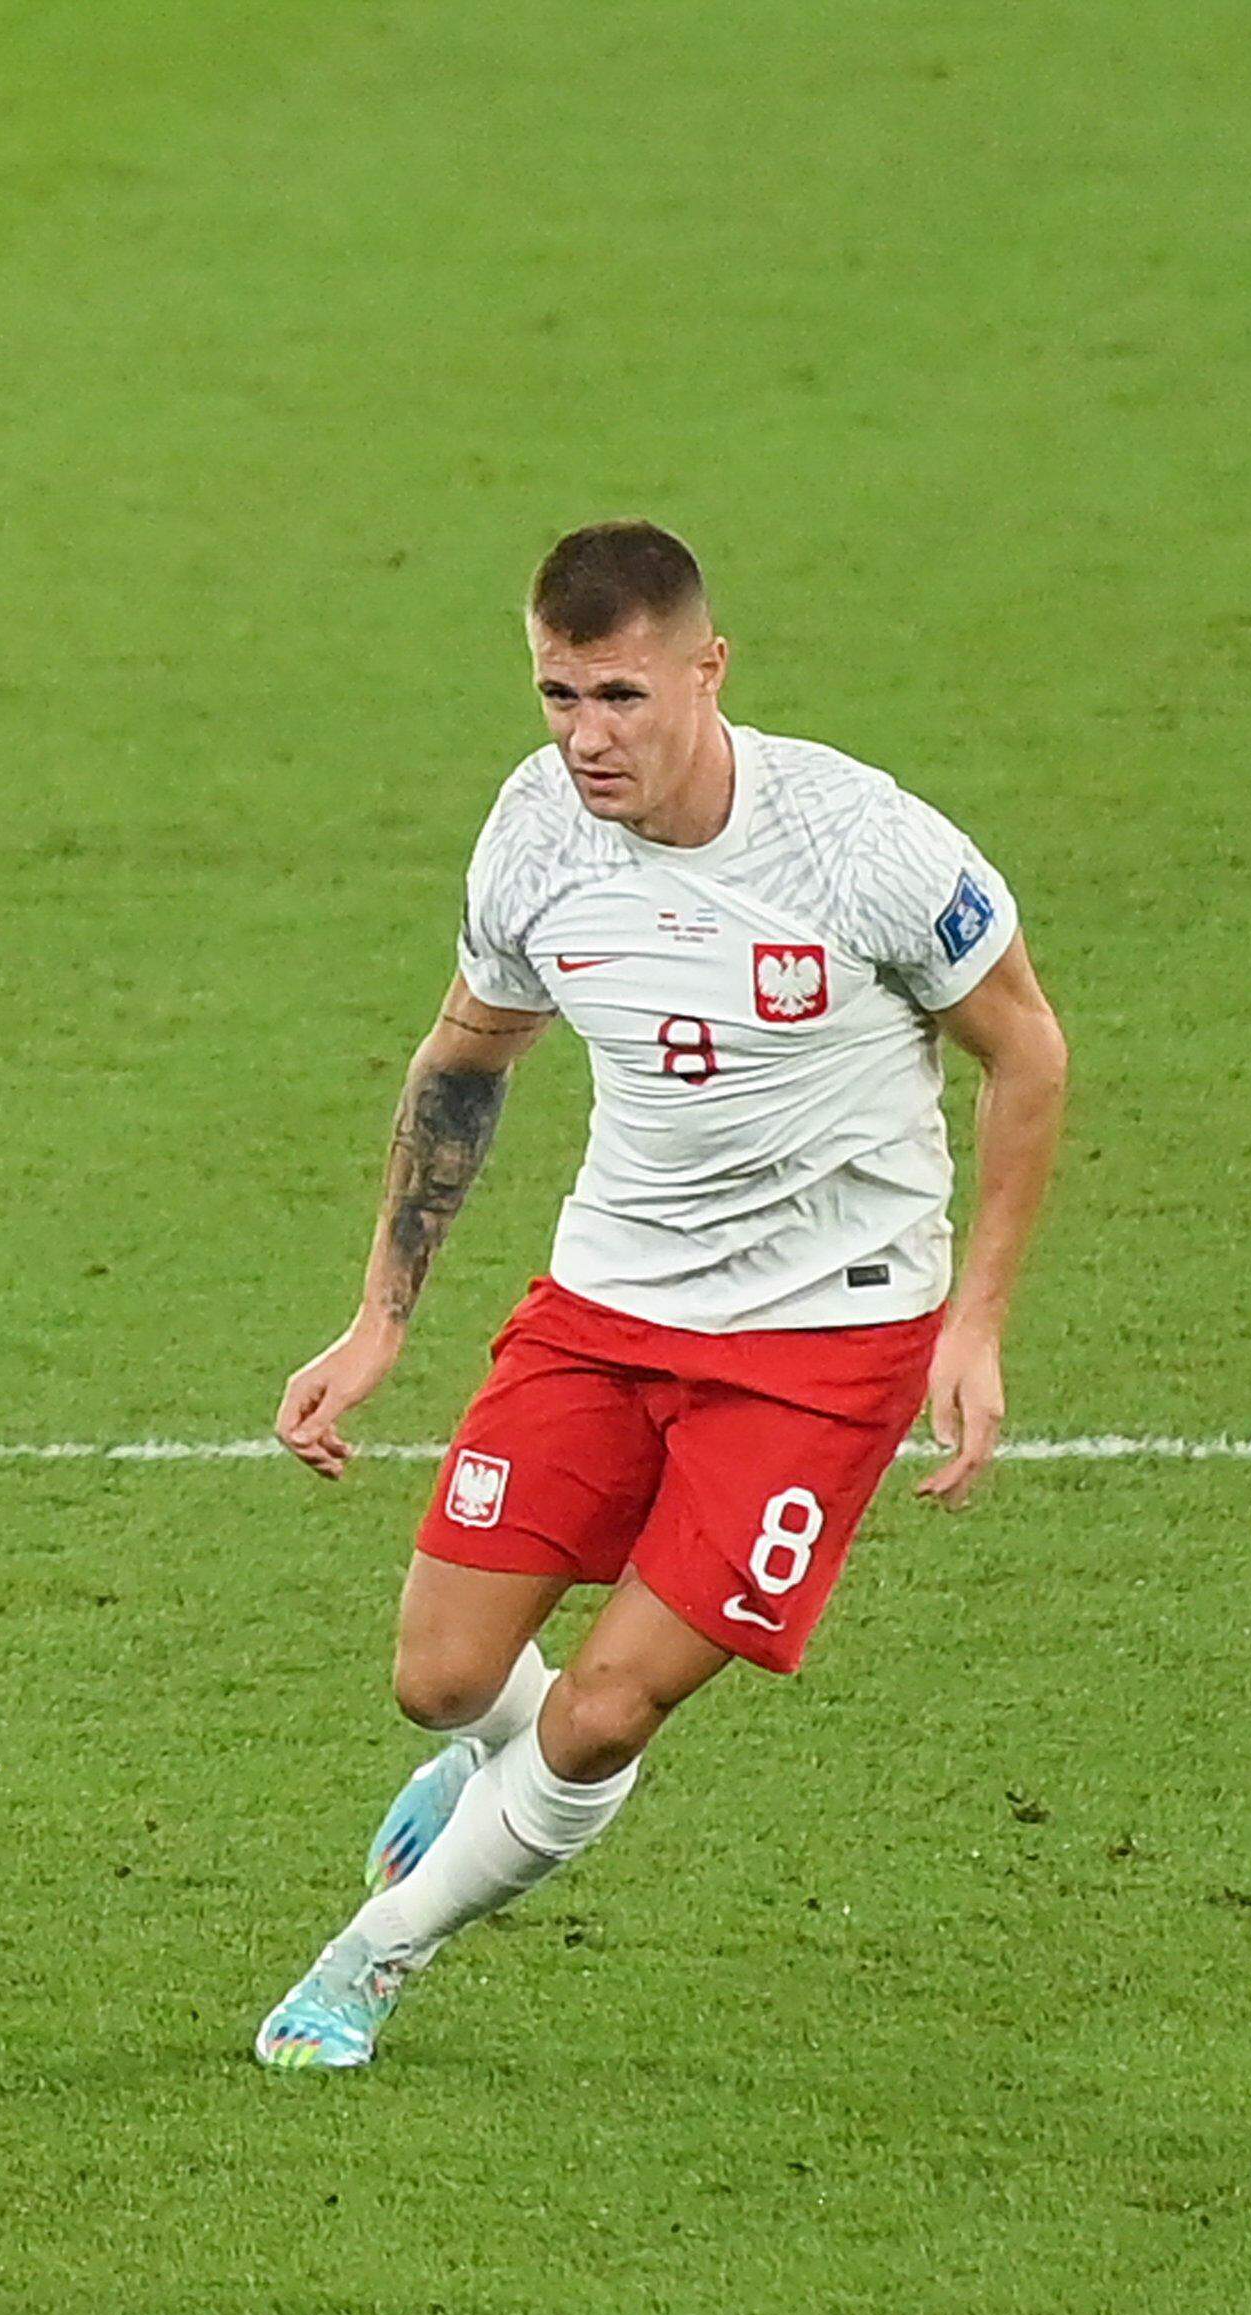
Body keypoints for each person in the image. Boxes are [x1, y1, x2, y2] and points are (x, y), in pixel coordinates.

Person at [256, 520, 1070, 2068]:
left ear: (709, 670)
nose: (586, 738)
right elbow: (463, 1062)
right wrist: (380, 1321)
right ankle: (494, 1786)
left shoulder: (865, 846)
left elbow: (1025, 1049)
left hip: (824, 1342)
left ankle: (372, 1955)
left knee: (606, 1712)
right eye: (558, 697)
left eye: (621, 697)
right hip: (607, 1304)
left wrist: (975, 1323)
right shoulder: (537, 834)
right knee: (441, 1682)